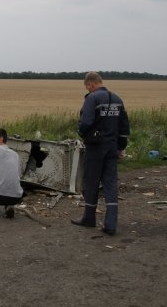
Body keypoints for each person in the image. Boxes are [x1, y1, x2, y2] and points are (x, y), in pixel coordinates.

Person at [72, 71, 130, 235]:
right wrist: (120, 147)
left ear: (90, 84)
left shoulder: (92, 98)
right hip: (112, 147)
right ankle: (111, 224)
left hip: (96, 147)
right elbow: (124, 127)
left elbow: (86, 122)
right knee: (110, 184)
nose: (88, 89)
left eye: (87, 87)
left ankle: (89, 218)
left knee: (90, 182)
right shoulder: (117, 99)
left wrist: (82, 133)